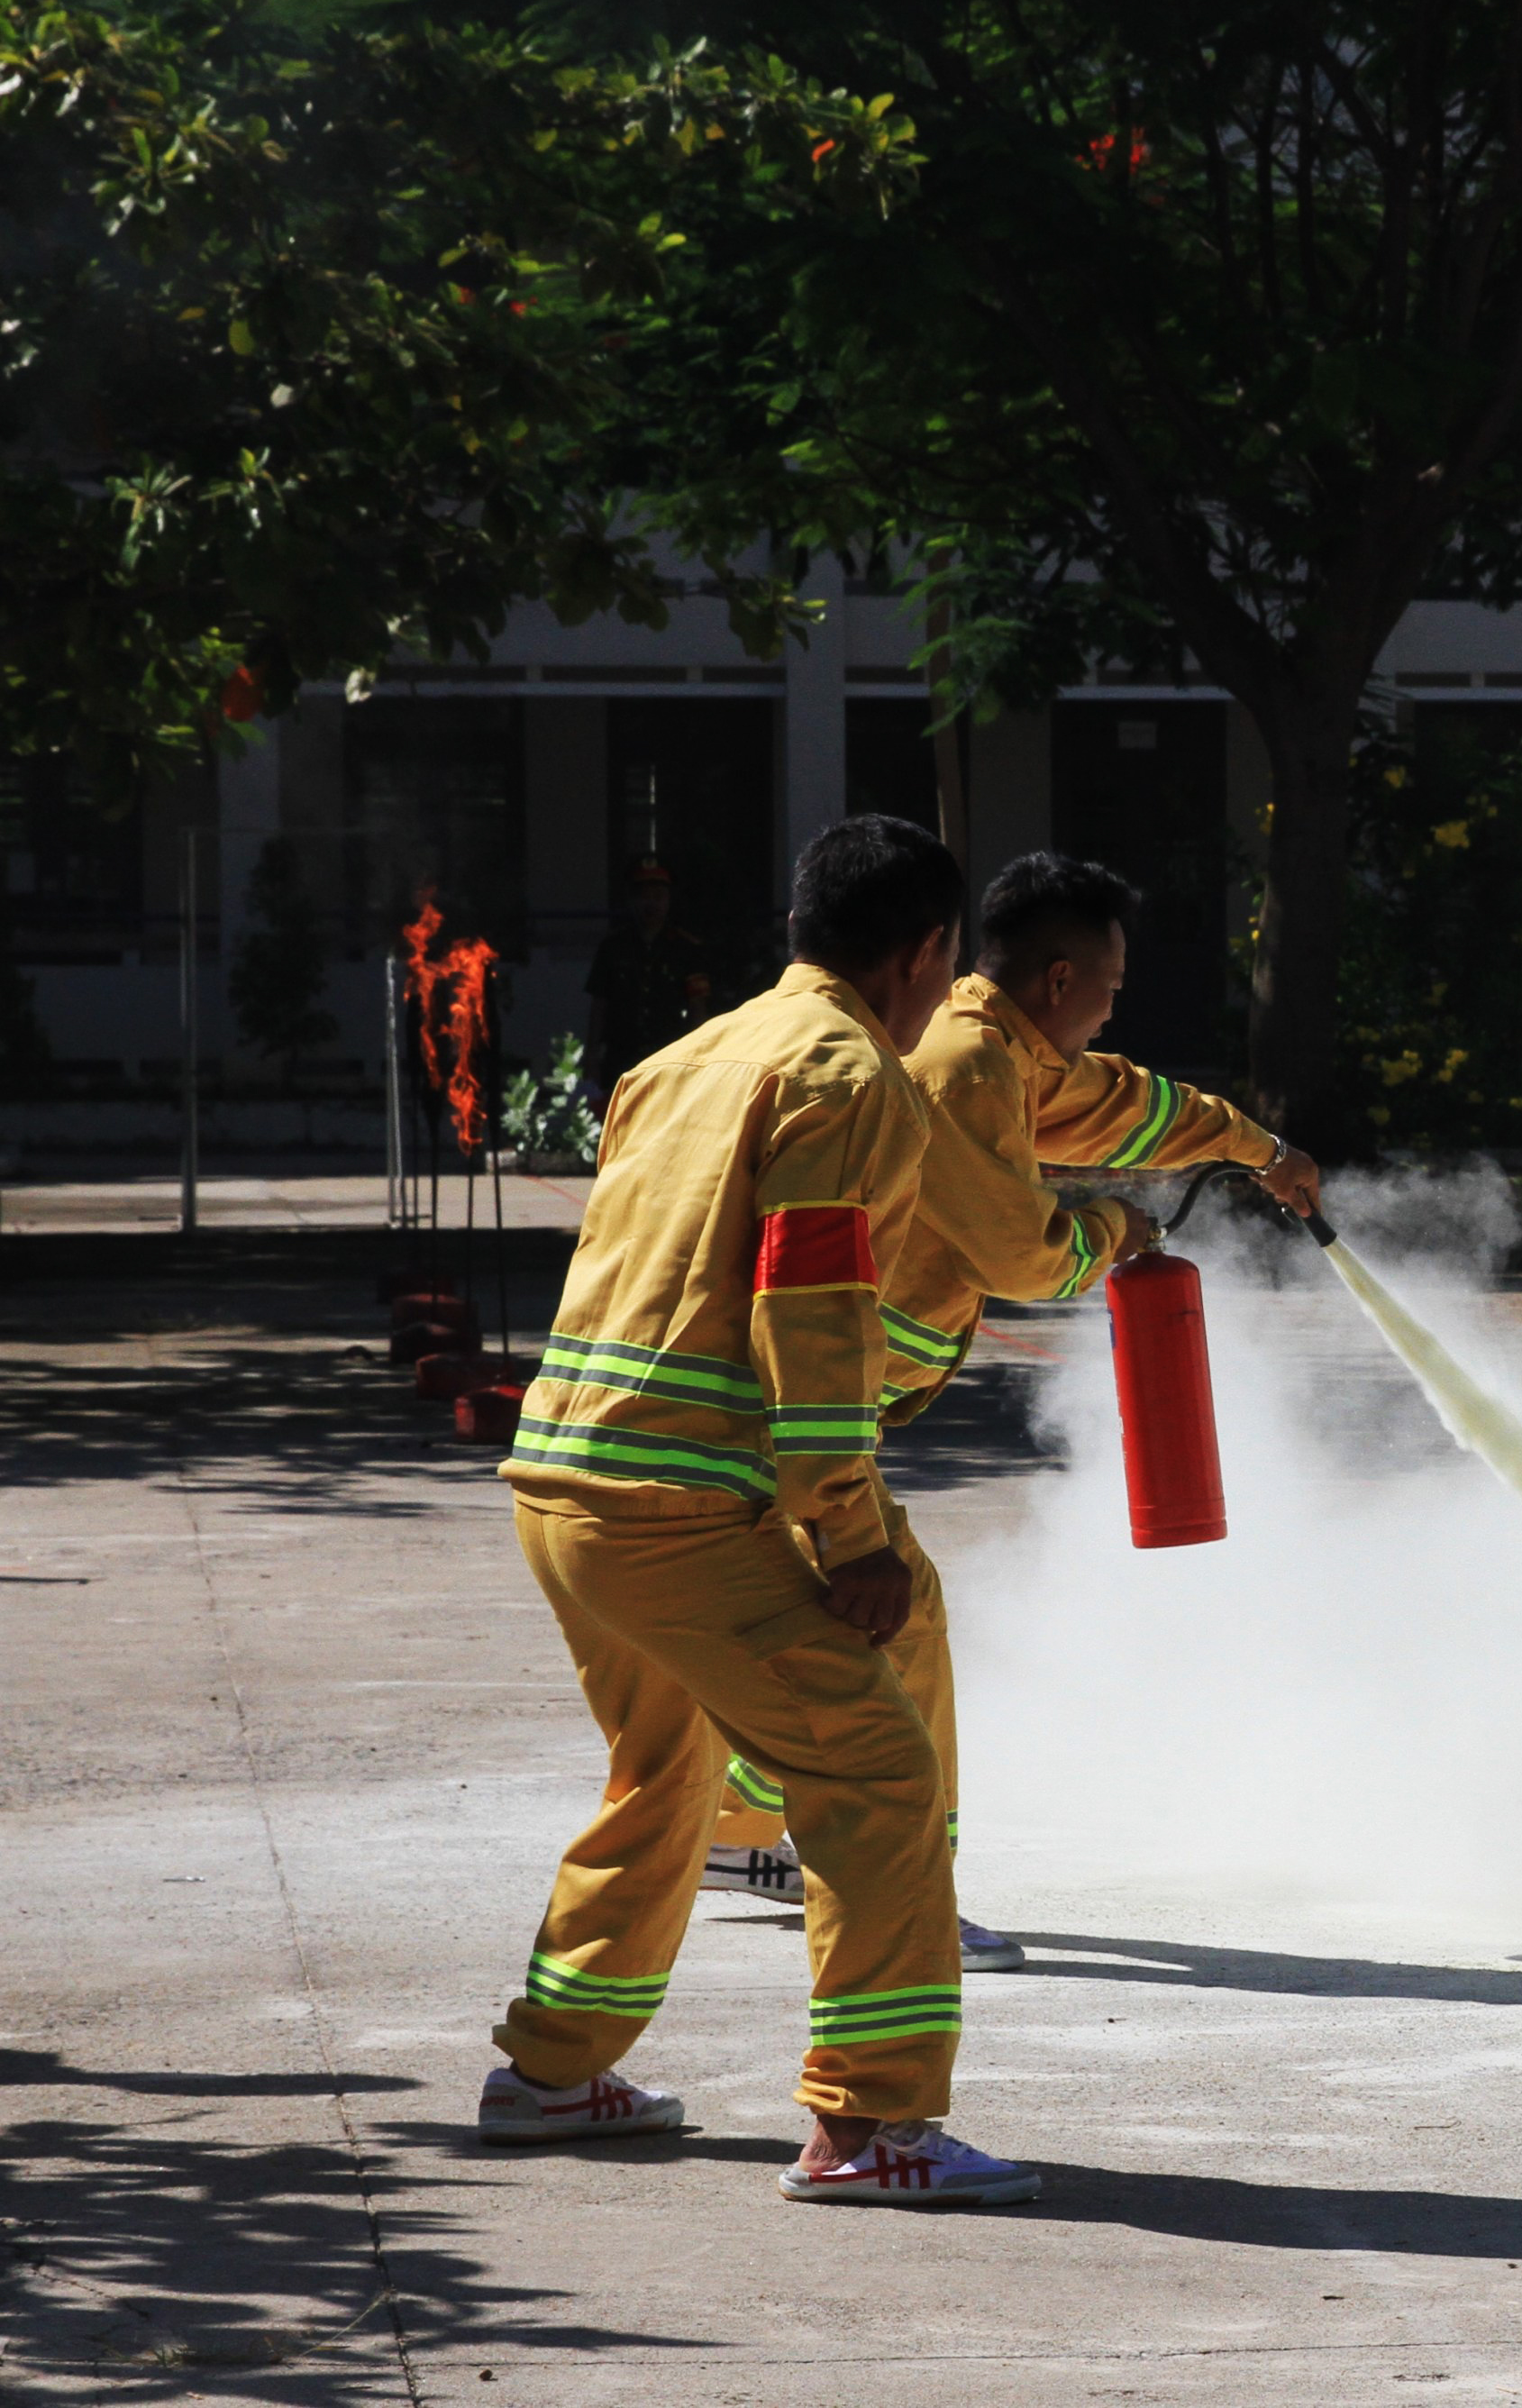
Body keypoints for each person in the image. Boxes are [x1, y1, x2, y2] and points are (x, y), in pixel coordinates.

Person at [486, 813, 1039, 2206]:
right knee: (873, 1771)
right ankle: (869, 2128)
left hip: (559, 1480)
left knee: (661, 1769)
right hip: (678, 1505)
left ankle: (552, 2069)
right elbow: (813, 1315)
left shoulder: (679, 1056)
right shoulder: (850, 1074)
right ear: (926, 952)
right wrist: (847, 1533)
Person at [695, 851, 1322, 1963]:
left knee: (813, 1625)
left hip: (819, 1404)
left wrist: (1251, 1146)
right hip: (803, 1405)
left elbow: (1119, 1109)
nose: (1116, 1008)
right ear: (1064, 977)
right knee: (905, 1622)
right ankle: (906, 1887)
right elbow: (1020, 1250)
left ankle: (753, 1829)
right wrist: (1115, 1233)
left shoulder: (1005, 1055)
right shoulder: (965, 1064)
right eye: (1114, 987)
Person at [582, 853, 717, 1101]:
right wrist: (591, 1060)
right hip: (621, 1059)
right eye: (644, 897)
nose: (650, 905)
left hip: (669, 1056)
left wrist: (701, 1060)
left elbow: (698, 1009)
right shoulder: (613, 947)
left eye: (658, 897)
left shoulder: (686, 949)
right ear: (632, 901)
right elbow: (598, 1006)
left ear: (668, 901)